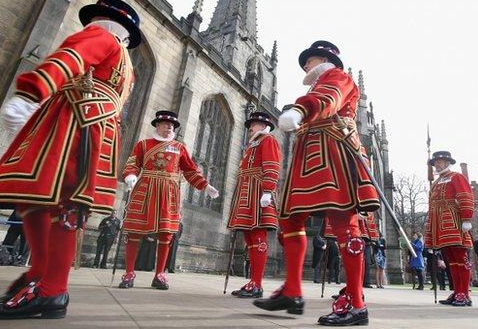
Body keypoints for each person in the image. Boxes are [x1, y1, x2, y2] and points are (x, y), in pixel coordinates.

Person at [0, 0, 142, 319]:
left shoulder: (102, 37)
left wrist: (32, 90)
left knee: (51, 202)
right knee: (59, 206)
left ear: (104, 21)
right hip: (100, 133)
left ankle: (51, 288)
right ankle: (44, 277)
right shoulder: (128, 68)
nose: (88, 27)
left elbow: (70, 57)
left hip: (75, 127)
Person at [253, 40, 380, 326]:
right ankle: (293, 291)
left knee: (343, 224)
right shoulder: (315, 85)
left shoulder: (338, 77)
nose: (305, 66)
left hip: (332, 153)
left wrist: (299, 110)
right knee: (289, 220)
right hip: (307, 157)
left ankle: (357, 305)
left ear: (321, 59)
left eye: (308, 61)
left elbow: (328, 99)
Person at [118, 111, 219, 290]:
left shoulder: (179, 148)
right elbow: (132, 164)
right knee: (134, 231)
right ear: (157, 126)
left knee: (166, 234)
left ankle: (160, 274)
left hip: (169, 192)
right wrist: (130, 176)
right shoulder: (143, 145)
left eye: (171, 126)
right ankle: (129, 273)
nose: (169, 128)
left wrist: (205, 186)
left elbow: (190, 171)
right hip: (145, 189)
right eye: (165, 125)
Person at [227, 111, 281, 298]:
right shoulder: (251, 145)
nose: (250, 127)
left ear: (263, 126)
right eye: (251, 124)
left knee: (258, 234)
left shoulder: (268, 140)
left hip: (258, 190)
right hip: (246, 190)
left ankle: (257, 284)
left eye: (255, 124)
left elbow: (272, 165)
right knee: (249, 236)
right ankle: (252, 282)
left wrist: (268, 190)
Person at [424, 151, 475, 307]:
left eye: (440, 162)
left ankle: (464, 293)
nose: (437, 165)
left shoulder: (456, 177)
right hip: (439, 223)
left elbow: (465, 196)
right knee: (450, 260)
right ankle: (457, 290)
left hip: (453, 220)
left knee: (460, 258)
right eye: (435, 163)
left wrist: (466, 218)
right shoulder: (437, 181)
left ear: (447, 162)